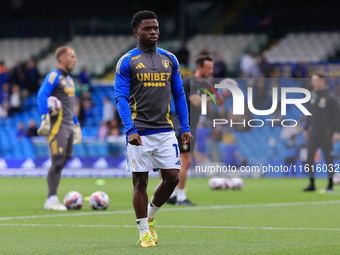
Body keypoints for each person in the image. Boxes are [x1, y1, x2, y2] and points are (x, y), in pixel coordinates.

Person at [115, 10, 191, 247]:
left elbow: (179, 94)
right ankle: (143, 233)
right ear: (136, 31)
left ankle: (150, 216)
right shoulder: (127, 61)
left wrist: (184, 126)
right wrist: (130, 130)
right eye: (147, 28)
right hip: (139, 132)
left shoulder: (170, 59)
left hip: (165, 130)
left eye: (156, 28)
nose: (153, 32)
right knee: (141, 183)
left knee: (172, 178)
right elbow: (120, 97)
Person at [37, 46, 82, 211]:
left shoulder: (70, 80)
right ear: (62, 58)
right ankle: (51, 199)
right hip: (57, 127)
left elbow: (69, 107)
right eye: (72, 56)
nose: (75, 59)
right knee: (57, 161)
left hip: (69, 126)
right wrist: (44, 116)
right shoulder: (54, 76)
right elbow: (42, 94)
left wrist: (76, 124)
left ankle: (52, 196)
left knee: (65, 158)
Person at [168, 54, 214, 206]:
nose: (211, 71)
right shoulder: (192, 82)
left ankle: (172, 195)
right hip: (182, 125)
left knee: (177, 161)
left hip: (188, 125)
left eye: (212, 68)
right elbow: (196, 103)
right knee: (185, 160)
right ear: (199, 67)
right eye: (208, 68)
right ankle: (180, 197)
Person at [303, 74, 340, 192]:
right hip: (313, 133)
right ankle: (312, 184)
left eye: (314, 81)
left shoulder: (331, 96)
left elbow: (337, 116)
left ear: (322, 81)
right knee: (309, 157)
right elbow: (309, 114)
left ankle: (330, 185)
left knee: (328, 159)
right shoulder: (312, 95)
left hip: (326, 133)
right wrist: (306, 128)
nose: (312, 83)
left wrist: (335, 132)